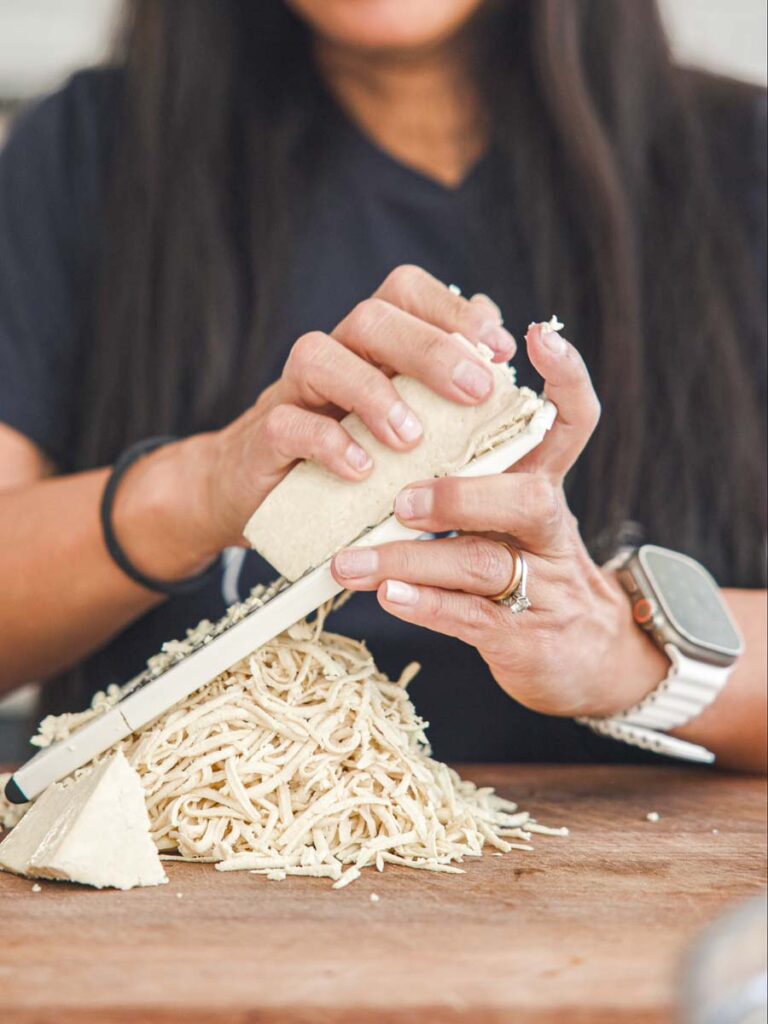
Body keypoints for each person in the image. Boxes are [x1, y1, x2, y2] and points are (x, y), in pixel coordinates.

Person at [0, 0, 765, 771]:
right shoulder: (87, 151)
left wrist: (621, 652)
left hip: (637, 871)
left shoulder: (743, 163)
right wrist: (197, 490)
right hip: (170, 872)